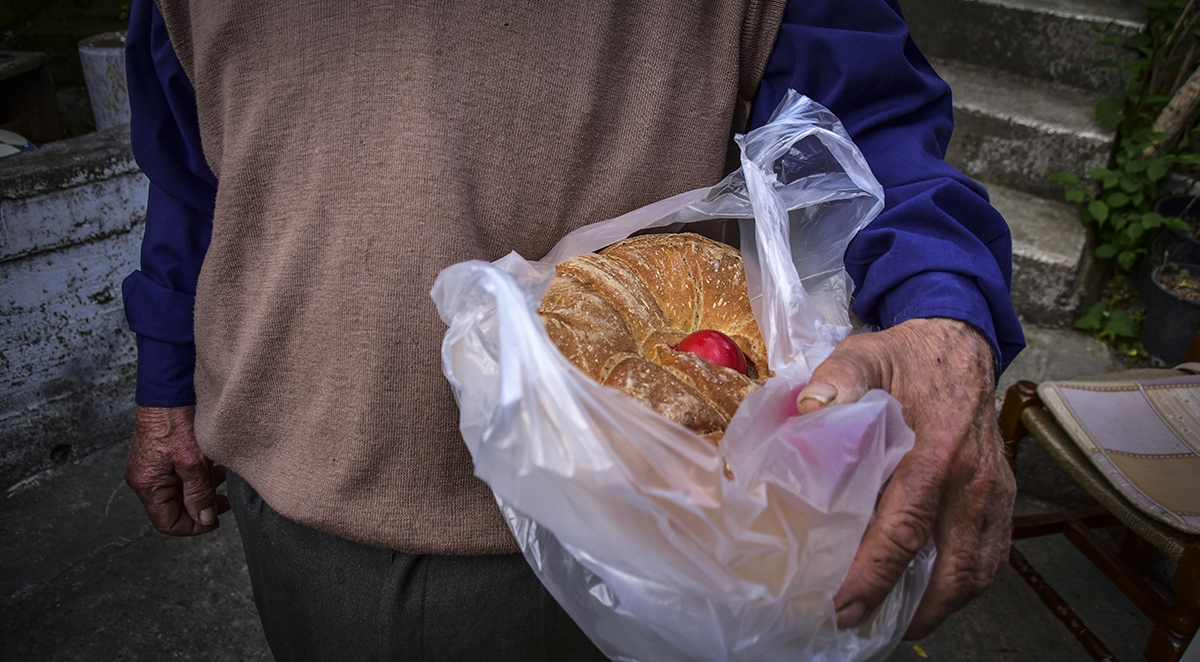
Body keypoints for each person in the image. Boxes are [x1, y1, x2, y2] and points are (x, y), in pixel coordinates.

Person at [121, 0, 1023, 658]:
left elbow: (864, 127)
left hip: (628, 529)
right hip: (297, 507)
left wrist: (942, 310)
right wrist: (166, 375)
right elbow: (192, 158)